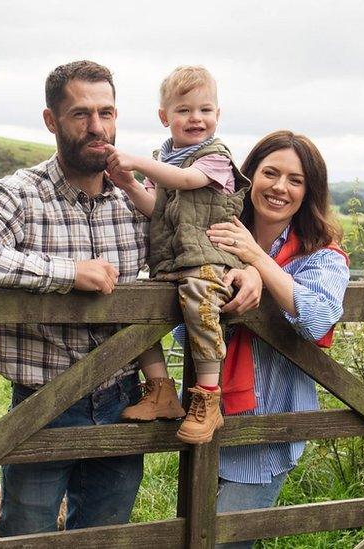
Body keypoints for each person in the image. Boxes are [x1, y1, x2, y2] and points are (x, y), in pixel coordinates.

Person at [0, 60, 154, 537]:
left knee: (103, 534)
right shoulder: (20, 194)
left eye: (107, 112)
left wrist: (243, 272)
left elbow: (192, 250)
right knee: (26, 534)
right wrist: (65, 273)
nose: (97, 127)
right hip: (44, 400)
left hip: (124, 398)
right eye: (81, 114)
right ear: (51, 121)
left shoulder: (135, 199)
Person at [205, 130, 350, 548]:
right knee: (195, 532)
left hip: (267, 428)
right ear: (250, 177)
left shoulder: (321, 254)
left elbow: (318, 317)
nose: (279, 187)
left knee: (223, 543)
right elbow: (181, 327)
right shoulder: (219, 235)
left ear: (309, 191)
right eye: (270, 173)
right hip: (207, 416)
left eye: (295, 180)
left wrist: (256, 261)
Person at [104, 66, 251, 444]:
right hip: (169, 264)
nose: (196, 119)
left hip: (208, 261)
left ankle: (207, 397)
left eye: (205, 110)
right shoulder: (163, 157)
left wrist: (135, 161)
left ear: (218, 115)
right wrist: (129, 184)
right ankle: (160, 389)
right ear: (164, 116)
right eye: (184, 110)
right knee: (132, 308)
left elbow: (188, 181)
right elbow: (155, 207)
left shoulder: (216, 156)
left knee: (202, 307)